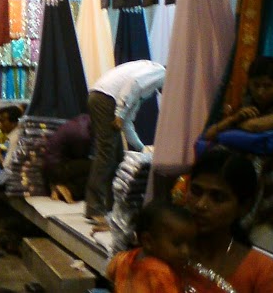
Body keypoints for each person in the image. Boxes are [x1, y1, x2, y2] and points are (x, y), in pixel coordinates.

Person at [183, 147, 273, 292]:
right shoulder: (163, 250)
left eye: (217, 198)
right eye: (196, 192)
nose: (200, 205)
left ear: (244, 207)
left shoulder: (260, 269)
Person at [85, 59, 165, 221]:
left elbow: (127, 124)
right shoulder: (162, 73)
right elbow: (134, 84)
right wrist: (120, 113)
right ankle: (95, 209)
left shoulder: (148, 78)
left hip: (100, 96)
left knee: (116, 157)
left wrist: (142, 148)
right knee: (106, 154)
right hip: (106, 99)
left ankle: (109, 206)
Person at [107, 201, 196, 293]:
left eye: (190, 244)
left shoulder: (122, 258)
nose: (186, 251)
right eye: (177, 244)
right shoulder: (161, 273)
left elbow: (110, 273)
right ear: (148, 241)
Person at [205, 55, 273, 140]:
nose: (260, 92)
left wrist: (237, 123)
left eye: (267, 86)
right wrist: (233, 119)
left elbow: (254, 126)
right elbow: (209, 134)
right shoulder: (248, 102)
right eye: (256, 85)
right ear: (249, 83)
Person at [43, 113, 93, 203]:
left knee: (89, 167)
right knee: (95, 168)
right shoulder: (83, 134)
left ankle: (60, 187)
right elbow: (79, 155)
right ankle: (69, 190)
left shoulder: (83, 121)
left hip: (52, 165)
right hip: (56, 168)